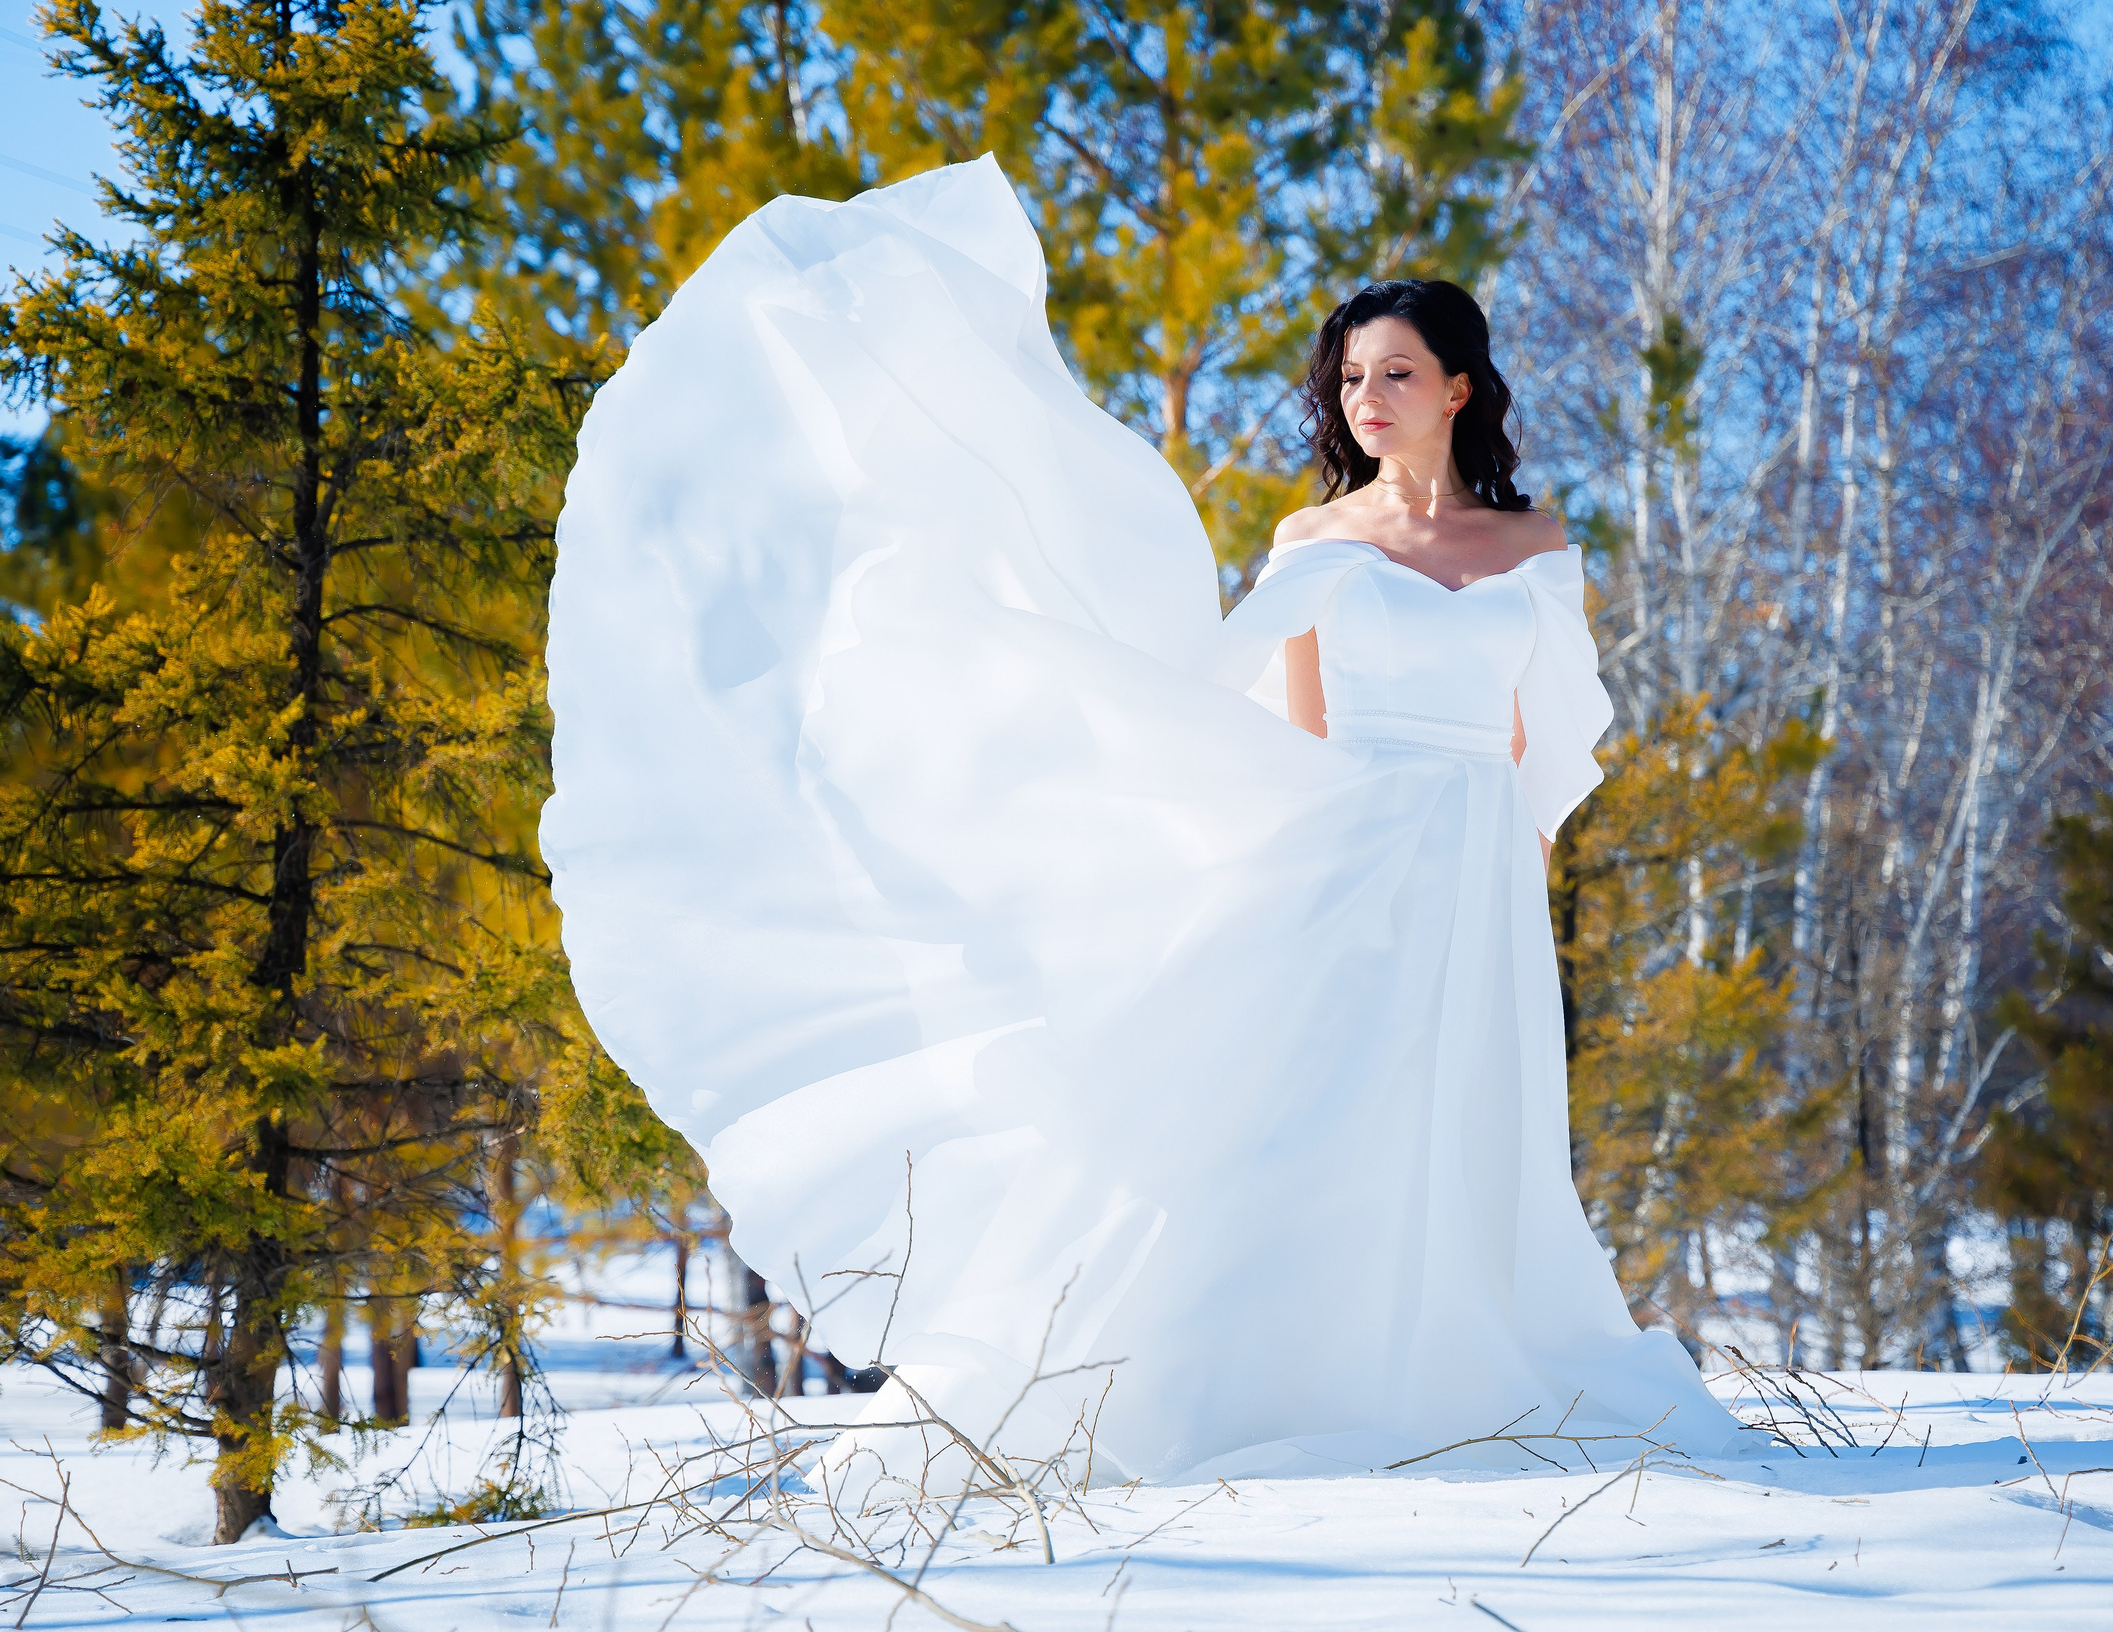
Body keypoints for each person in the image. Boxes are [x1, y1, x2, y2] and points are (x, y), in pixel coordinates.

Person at [543, 156, 1757, 1484]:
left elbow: (1542, 740)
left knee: (1467, 1137)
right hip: (1356, 856)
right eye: (1351, 379)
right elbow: (1282, 734)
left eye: (1396, 374)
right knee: (1308, 1122)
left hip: (1483, 875)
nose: (1366, 400)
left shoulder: (1532, 551)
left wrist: (1510, 913)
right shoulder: (1314, 544)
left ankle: (1454, 1369)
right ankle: (1235, 1375)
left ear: (1460, 387)